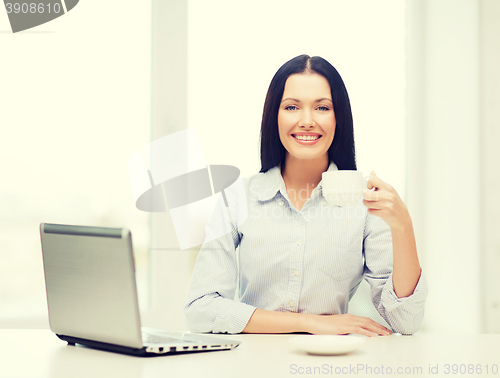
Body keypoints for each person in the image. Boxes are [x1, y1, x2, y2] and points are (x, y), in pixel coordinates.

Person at [184, 54, 428, 336]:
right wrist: (310, 323)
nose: (307, 121)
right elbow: (201, 310)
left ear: (339, 118)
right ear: (274, 115)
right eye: (292, 107)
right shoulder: (238, 197)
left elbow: (405, 321)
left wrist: (403, 226)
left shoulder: (365, 202)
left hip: (333, 362)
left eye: (322, 107)